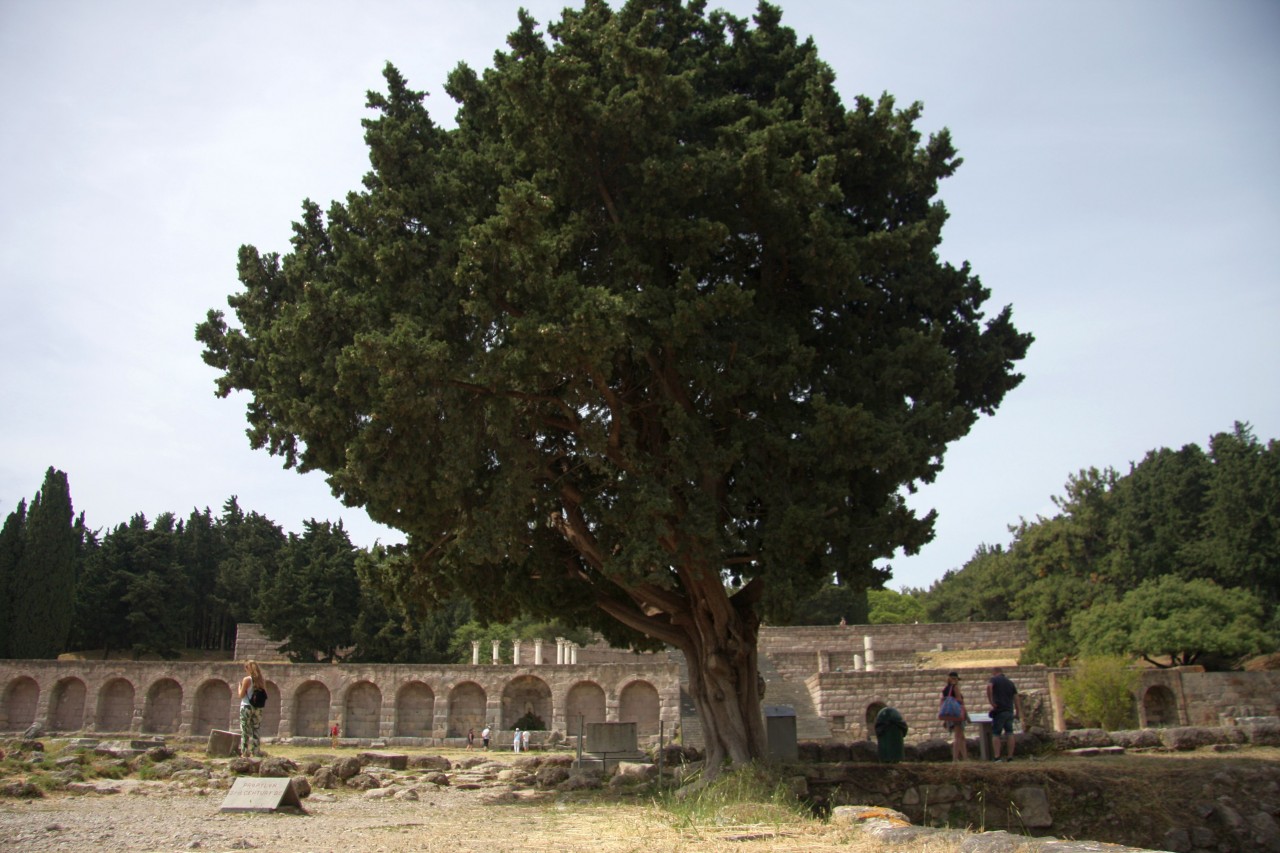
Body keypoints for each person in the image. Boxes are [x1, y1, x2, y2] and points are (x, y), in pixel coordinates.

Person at [986, 666, 1023, 762]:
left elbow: (989, 687)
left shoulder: (994, 679)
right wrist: (1018, 712)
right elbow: (1016, 698)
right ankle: (1010, 757)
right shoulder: (1010, 683)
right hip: (1009, 711)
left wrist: (991, 702)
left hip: (999, 710)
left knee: (996, 734)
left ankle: (997, 757)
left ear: (995, 672)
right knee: (1010, 733)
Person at [237, 660, 265, 758]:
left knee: (245, 730)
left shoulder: (247, 679)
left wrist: (239, 687)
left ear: (248, 669)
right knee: (256, 729)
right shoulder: (261, 680)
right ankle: (256, 751)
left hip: (246, 706)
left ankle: (244, 752)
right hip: (258, 708)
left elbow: (241, 695)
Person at [939, 671, 969, 761]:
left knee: (961, 737)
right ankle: (955, 758)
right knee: (958, 737)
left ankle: (965, 758)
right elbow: (960, 700)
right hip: (956, 714)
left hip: (949, 714)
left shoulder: (945, 689)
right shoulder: (955, 687)